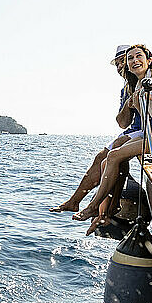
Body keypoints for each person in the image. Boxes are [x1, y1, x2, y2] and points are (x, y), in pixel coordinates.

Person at [73, 44, 152, 222]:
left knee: (114, 156)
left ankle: (93, 207)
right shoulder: (135, 87)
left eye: (138, 56)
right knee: (110, 157)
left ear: (148, 59)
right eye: (130, 59)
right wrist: (133, 103)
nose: (134, 61)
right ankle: (102, 210)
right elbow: (127, 122)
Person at [49, 45, 139, 214]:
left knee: (112, 156)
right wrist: (128, 104)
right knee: (103, 158)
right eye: (118, 64)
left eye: (123, 62)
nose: (120, 67)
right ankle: (77, 202)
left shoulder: (151, 80)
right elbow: (122, 123)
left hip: (145, 131)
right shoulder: (125, 89)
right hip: (132, 130)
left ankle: (99, 207)